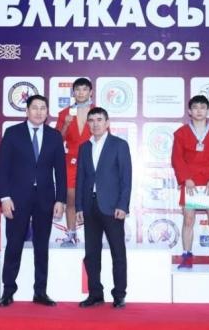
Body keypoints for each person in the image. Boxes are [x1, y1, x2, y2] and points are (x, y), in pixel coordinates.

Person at [0, 95, 67, 307]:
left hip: (45, 198)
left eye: (43, 108)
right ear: (27, 111)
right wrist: (4, 197)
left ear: (47, 112)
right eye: (34, 108)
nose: (39, 112)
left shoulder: (54, 136)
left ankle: (40, 292)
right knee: (14, 244)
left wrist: (60, 199)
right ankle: (8, 290)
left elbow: (60, 172)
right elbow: (3, 168)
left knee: (42, 246)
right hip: (17, 198)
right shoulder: (12, 133)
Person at [76, 107, 132, 309]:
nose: (95, 124)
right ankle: (95, 294)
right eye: (91, 120)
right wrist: (79, 207)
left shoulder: (119, 145)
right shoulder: (84, 147)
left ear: (107, 123)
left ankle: (119, 294)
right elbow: (81, 178)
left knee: (118, 253)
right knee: (91, 253)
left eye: (99, 120)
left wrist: (123, 205)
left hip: (112, 207)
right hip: (89, 207)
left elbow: (126, 178)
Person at [171, 95, 209, 271]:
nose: (199, 111)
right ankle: (187, 257)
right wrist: (186, 178)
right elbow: (177, 158)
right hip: (190, 183)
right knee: (188, 220)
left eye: (202, 107)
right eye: (195, 107)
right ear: (189, 111)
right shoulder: (181, 133)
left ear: (208, 111)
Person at [55, 77, 94, 247]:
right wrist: (65, 125)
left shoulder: (97, 112)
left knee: (93, 200)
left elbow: (105, 137)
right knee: (70, 199)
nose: (81, 93)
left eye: (84, 89)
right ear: (73, 93)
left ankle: (95, 235)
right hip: (70, 161)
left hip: (92, 161)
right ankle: (71, 234)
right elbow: (56, 140)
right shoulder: (65, 113)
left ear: (90, 92)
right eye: (77, 89)